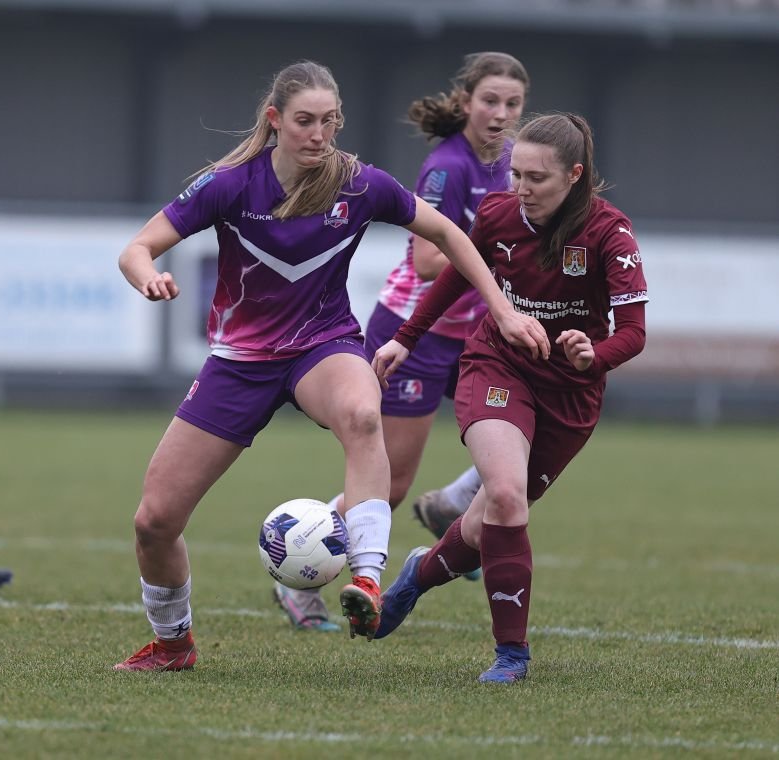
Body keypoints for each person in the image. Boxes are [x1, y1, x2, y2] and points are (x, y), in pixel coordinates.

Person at [113, 60, 549, 671]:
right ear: (275, 121)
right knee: (154, 521)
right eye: (304, 122)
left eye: (329, 122)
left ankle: (366, 579)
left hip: (324, 344)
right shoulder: (229, 184)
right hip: (240, 362)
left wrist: (501, 310)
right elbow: (137, 248)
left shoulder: (361, 184)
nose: (319, 135)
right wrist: (149, 277)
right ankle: (172, 644)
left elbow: (450, 237)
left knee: (362, 413)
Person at [371, 113, 648, 684]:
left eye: (536, 178)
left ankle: (418, 574)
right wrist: (406, 338)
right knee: (504, 494)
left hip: (570, 396)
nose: (520, 189)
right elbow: (454, 277)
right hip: (497, 366)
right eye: (514, 174)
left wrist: (593, 355)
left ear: (574, 175)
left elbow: (634, 331)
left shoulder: (609, 234)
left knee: (486, 524)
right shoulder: (498, 214)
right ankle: (512, 654)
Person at [273, 51, 531, 632]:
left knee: (538, 421)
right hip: (417, 332)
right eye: (490, 101)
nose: (501, 114)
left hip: (480, 333)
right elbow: (425, 259)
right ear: (465, 102)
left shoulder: (516, 163)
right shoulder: (448, 167)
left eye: (512, 104)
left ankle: (454, 503)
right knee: (387, 487)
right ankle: (296, 563)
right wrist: (493, 249)